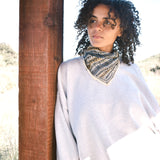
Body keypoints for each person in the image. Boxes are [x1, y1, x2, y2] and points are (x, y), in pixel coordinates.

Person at [55, 0, 160, 159]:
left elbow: (154, 118)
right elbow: (63, 132)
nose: (97, 27)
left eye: (108, 22)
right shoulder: (69, 71)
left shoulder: (131, 70)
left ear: (121, 30)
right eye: (92, 20)